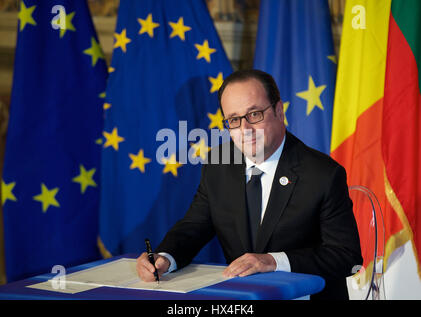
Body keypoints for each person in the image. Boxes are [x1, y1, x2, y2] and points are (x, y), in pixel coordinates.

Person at [136, 69, 363, 300]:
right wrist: (165, 257)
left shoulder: (322, 174)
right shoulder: (218, 165)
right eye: (234, 120)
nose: (245, 130)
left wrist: (273, 261)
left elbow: (346, 256)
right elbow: (193, 227)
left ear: (279, 111)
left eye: (254, 114)